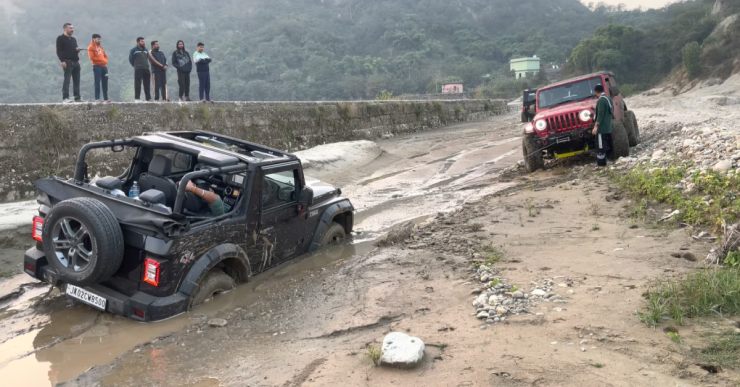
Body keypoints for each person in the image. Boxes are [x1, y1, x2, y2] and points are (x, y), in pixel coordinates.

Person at [56, 22, 82, 103]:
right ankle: (65, 98)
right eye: (70, 28)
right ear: (65, 29)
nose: (72, 30)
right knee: (67, 80)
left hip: (76, 62)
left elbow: (75, 50)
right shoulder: (60, 38)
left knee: (77, 80)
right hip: (67, 62)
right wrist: (62, 61)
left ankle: (77, 97)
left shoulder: (74, 39)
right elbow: (58, 51)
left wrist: (77, 51)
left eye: (73, 28)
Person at [592, 84, 613, 167]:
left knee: (600, 145)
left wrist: (596, 127)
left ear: (596, 92)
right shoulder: (608, 98)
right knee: (606, 143)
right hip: (607, 126)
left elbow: (600, 114)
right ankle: (606, 160)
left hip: (601, 128)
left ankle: (601, 163)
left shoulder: (601, 100)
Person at [87, 33, 109, 103]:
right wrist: (100, 61)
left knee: (105, 82)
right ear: (94, 39)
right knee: (97, 82)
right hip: (97, 66)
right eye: (98, 39)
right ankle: (97, 99)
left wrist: (105, 61)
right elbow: (91, 58)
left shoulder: (101, 47)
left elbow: (105, 56)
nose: (99, 40)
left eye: (100, 39)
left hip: (104, 67)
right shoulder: (90, 47)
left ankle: (106, 98)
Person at [129, 37, 151, 102]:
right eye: (142, 41)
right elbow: (131, 59)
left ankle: (148, 98)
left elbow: (147, 58)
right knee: (138, 84)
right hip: (138, 68)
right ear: (138, 42)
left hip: (146, 68)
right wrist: (135, 65)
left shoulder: (146, 50)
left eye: (144, 41)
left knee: (147, 84)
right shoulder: (133, 50)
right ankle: (137, 99)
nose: (143, 42)